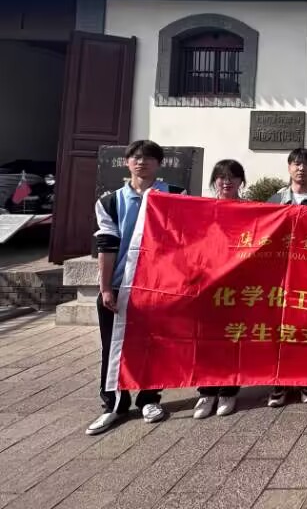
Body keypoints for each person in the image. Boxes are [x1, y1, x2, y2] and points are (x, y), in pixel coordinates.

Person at [87, 140, 184, 436]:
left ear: (159, 163)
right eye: (136, 157)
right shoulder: (110, 202)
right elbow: (106, 245)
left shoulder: (176, 196)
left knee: (155, 344)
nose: (142, 162)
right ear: (127, 162)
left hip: (159, 285)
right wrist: (106, 288)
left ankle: (149, 399)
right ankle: (114, 404)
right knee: (113, 347)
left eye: (149, 158)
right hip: (121, 284)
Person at [266, 148, 307, 408]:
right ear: (289, 168)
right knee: (280, 328)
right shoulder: (276, 199)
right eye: (296, 164)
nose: (301, 169)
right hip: (281, 275)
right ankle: (279, 383)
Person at [194, 159, 246, 420]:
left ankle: (228, 391)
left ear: (241, 182)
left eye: (233, 177)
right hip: (208, 283)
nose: (227, 182)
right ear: (214, 180)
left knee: (233, 337)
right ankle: (206, 391)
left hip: (238, 285)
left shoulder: (251, 210)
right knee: (206, 338)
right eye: (222, 177)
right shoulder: (202, 209)